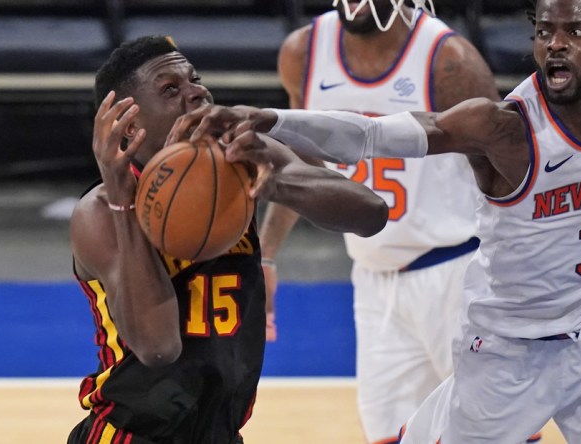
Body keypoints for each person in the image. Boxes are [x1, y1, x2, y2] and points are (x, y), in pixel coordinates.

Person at [168, 0, 581, 441]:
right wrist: (269, 119)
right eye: (544, 32)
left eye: (575, 32)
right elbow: (371, 135)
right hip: (509, 351)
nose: (556, 46)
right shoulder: (502, 127)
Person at [67, 35, 388, 444]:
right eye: (171, 89)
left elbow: (370, 213)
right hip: (131, 435)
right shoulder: (99, 212)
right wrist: (121, 199)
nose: (196, 91)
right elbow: (158, 347)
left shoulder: (239, 159)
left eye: (194, 80)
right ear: (131, 125)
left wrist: (273, 183)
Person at [254, 2, 542, 443]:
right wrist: (267, 256)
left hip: (460, 275)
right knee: (391, 436)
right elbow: (302, 168)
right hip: (374, 280)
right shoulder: (304, 52)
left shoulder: (450, 61)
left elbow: (513, 175)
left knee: (499, 434)